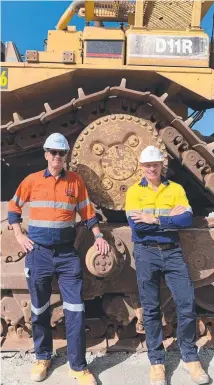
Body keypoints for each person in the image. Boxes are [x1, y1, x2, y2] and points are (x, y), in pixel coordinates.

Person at [8, 133, 109, 385]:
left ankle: (78, 366)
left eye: (61, 153)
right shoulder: (31, 181)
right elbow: (13, 208)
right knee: (39, 308)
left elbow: (87, 213)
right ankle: (43, 357)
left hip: (66, 255)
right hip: (38, 253)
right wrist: (19, 236)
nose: (56, 157)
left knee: (76, 309)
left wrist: (98, 236)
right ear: (45, 154)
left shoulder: (75, 182)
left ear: (65, 157)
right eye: (52, 152)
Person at [125, 146, 209, 385]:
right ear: (141, 167)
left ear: (162, 165)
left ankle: (190, 357)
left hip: (172, 253)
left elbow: (185, 220)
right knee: (150, 310)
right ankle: (156, 362)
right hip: (145, 253)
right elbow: (137, 226)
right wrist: (169, 220)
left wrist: (156, 219)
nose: (152, 168)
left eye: (155, 164)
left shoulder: (176, 189)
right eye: (147, 165)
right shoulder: (134, 192)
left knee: (186, 304)